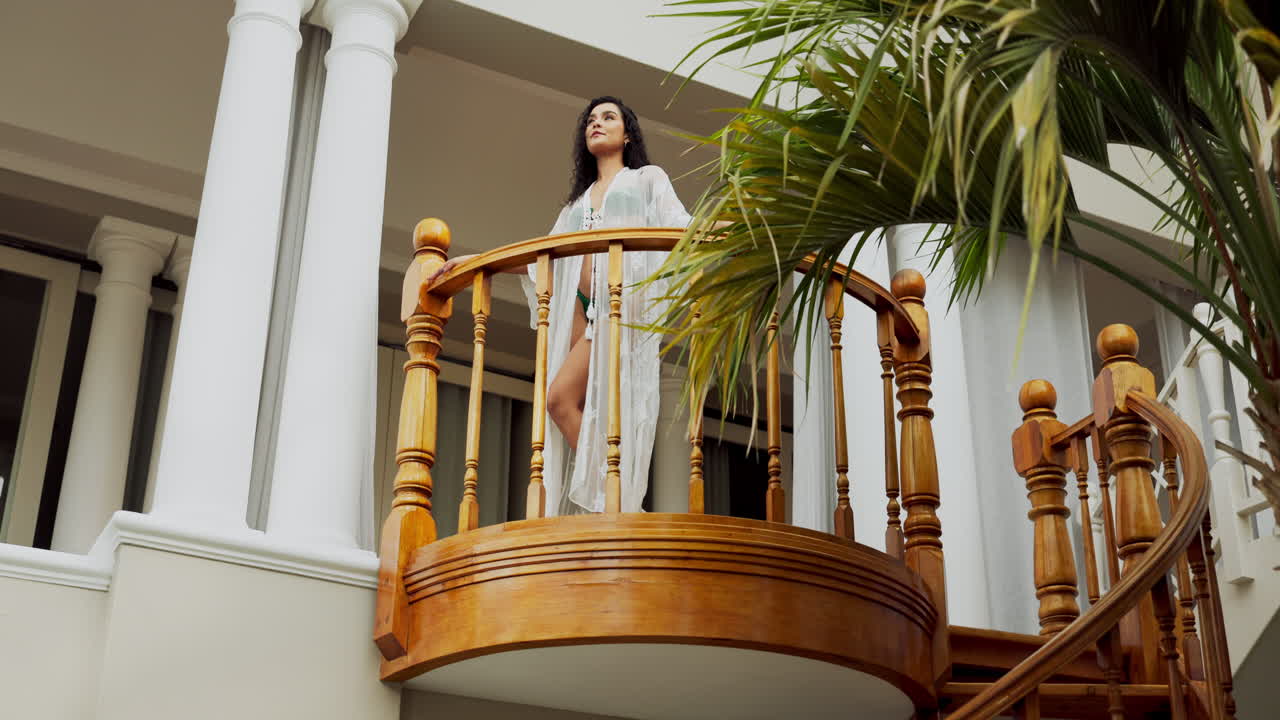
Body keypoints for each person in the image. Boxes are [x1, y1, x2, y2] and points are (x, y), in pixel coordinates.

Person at [433, 96, 692, 515]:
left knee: (559, 400)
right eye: (590, 119)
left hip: (619, 308)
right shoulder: (576, 205)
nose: (597, 123)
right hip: (579, 307)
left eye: (608, 117)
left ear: (627, 134)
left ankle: (619, 502)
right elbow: (543, 258)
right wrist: (478, 260)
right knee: (581, 407)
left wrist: (723, 228)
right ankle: (613, 500)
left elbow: (680, 225)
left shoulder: (646, 180)